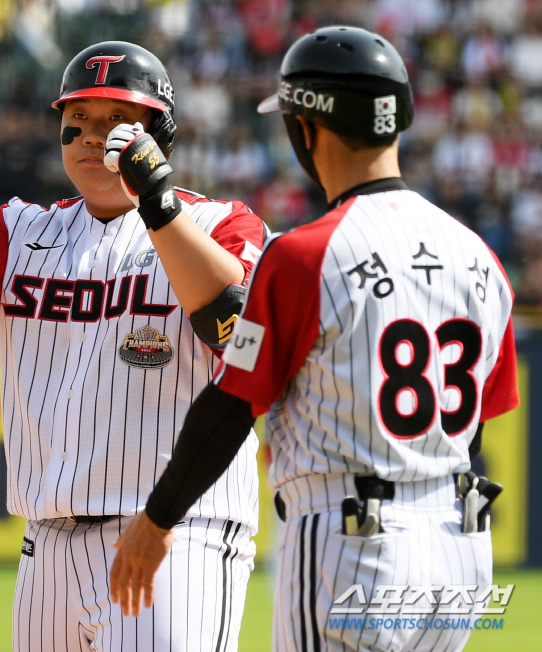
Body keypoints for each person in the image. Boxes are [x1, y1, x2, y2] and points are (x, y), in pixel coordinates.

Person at [110, 26, 520, 652]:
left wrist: (158, 518)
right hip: (459, 546)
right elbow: (475, 425)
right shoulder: (480, 258)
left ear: (306, 129)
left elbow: (230, 405)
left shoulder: (307, 256)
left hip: (353, 540)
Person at [0, 41, 265, 652]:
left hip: (177, 533)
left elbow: (239, 325)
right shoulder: (22, 230)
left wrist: (158, 202)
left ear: (160, 132)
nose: (94, 136)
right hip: (48, 544)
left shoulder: (221, 224)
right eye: (80, 121)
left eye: (119, 119)